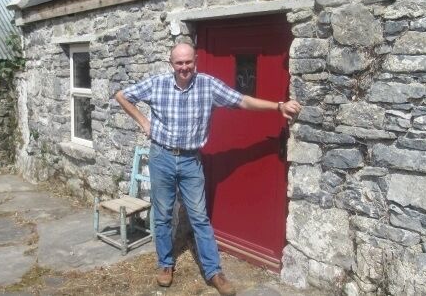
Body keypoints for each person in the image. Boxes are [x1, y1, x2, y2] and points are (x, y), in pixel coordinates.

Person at [115, 42, 301, 296]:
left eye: (188, 62)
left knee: (199, 217)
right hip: (162, 157)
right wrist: (144, 122)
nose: (184, 68)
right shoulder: (157, 83)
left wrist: (278, 106)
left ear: (196, 61)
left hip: (191, 161)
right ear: (172, 64)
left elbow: (242, 101)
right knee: (163, 215)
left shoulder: (208, 85)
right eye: (179, 63)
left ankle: (214, 271)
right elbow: (122, 96)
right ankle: (165, 264)